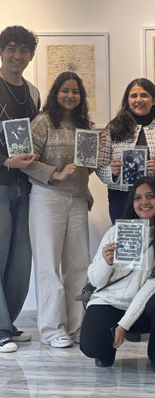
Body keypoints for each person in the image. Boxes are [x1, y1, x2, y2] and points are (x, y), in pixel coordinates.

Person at [80, 177, 155, 376]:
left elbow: (154, 284)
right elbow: (96, 281)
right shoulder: (115, 232)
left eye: (150, 196)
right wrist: (106, 263)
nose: (144, 202)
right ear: (132, 203)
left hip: (147, 308)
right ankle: (106, 350)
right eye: (138, 198)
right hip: (110, 302)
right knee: (91, 347)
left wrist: (124, 325)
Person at [22, 71, 98, 348]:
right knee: (48, 265)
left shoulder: (84, 126)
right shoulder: (42, 122)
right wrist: (55, 173)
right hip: (47, 198)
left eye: (75, 91)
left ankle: (76, 327)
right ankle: (52, 329)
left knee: (79, 266)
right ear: (55, 93)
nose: (70, 95)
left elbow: (88, 168)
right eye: (65, 90)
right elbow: (25, 160)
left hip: (78, 199)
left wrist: (99, 156)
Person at [0, 25, 40, 353]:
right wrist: (4, 162)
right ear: (1, 52)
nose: (17, 55)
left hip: (26, 186)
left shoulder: (34, 93)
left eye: (24, 50)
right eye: (11, 48)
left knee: (20, 261)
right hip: (0, 182)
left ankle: (8, 322)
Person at [97, 78, 155, 224]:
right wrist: (112, 172)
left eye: (144, 95)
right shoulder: (114, 127)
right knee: (127, 237)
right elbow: (100, 165)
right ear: (127, 100)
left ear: (154, 100)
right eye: (133, 96)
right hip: (121, 198)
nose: (139, 100)